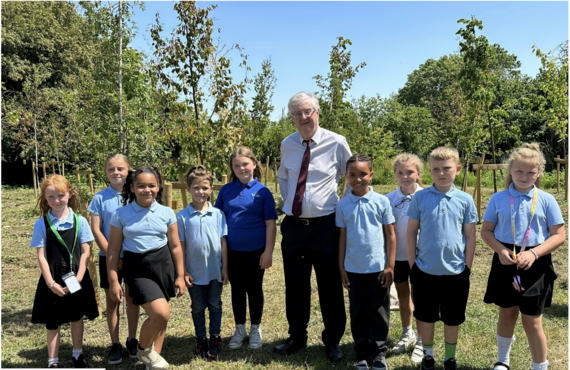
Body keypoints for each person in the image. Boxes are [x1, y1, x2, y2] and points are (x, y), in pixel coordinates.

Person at [275, 91, 352, 362]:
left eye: (308, 111)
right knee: (295, 285)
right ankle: (297, 336)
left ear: (317, 112)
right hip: (294, 226)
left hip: (326, 227)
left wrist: (346, 209)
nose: (303, 117)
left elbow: (352, 176)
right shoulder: (288, 144)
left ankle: (332, 341)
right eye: (297, 113)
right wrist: (289, 202)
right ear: (292, 118)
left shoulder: (336, 142)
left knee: (330, 285)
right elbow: (283, 174)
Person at [481, 143, 565, 370]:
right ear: (510, 170)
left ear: (538, 173)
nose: (524, 176)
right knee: (507, 314)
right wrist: (500, 250)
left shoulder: (546, 200)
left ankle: (540, 366)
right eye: (519, 171)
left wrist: (535, 253)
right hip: (505, 260)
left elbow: (559, 235)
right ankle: (502, 361)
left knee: (532, 320)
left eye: (531, 172)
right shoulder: (498, 199)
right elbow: (486, 231)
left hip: (536, 262)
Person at [406, 147, 478, 370]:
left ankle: (449, 357)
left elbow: (470, 235)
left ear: (456, 169)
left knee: (452, 318)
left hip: (455, 272)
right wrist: (412, 265)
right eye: (436, 169)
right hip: (424, 270)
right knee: (425, 316)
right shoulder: (420, 197)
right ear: (429, 171)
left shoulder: (465, 200)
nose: (441, 173)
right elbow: (410, 232)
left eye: (447, 168)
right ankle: (428, 355)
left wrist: (467, 267)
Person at [107, 166, 186, 370]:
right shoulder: (121, 214)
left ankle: (154, 361)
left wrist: (180, 275)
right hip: (137, 267)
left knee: (162, 317)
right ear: (132, 187)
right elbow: (114, 250)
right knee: (160, 313)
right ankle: (144, 350)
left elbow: (176, 246)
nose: (147, 190)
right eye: (141, 186)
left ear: (158, 187)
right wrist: (114, 280)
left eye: (152, 185)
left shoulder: (167, 212)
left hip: (163, 264)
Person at [30, 175, 99, 368]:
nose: (57, 200)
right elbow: (41, 256)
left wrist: (78, 277)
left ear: (70, 194)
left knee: (77, 316)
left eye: (61, 195)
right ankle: (53, 361)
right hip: (51, 279)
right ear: (45, 198)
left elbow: (85, 252)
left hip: (76, 277)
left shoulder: (81, 221)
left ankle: (77, 354)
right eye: (51, 197)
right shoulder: (41, 224)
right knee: (53, 321)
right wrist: (51, 283)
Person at [337, 154, 396, 370]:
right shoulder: (343, 205)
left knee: (379, 311)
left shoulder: (382, 201)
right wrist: (341, 267)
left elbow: (390, 235)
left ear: (371, 175)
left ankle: (379, 353)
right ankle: (361, 353)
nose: (358, 179)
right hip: (353, 269)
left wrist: (390, 266)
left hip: (377, 268)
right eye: (352, 175)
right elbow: (342, 238)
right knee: (358, 311)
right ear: (346, 177)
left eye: (363, 174)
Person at [215, 147, 277, 350]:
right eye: (237, 165)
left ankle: (255, 329)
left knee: (254, 289)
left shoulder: (263, 192)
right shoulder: (225, 191)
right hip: (232, 252)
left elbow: (270, 223)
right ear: (232, 169)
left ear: (254, 164)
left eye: (245, 164)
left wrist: (268, 252)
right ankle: (239, 329)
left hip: (256, 251)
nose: (241, 168)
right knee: (237, 290)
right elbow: (218, 219)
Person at [88, 154, 141, 364]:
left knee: (131, 299)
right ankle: (115, 343)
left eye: (120, 168)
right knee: (113, 300)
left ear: (129, 170)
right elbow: (96, 229)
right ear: (105, 172)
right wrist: (112, 255)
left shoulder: (136, 195)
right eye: (111, 169)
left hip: (133, 257)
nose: (116, 173)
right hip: (108, 258)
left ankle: (132, 339)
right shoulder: (100, 198)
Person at [177, 165, 229, 360]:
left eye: (205, 188)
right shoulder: (182, 216)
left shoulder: (218, 214)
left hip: (215, 270)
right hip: (193, 272)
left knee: (215, 304)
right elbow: (179, 246)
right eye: (196, 188)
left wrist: (225, 267)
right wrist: (182, 272)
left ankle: (215, 338)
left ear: (211, 189)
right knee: (198, 306)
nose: (201, 192)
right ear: (189, 189)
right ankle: (201, 339)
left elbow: (223, 242)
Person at [385, 153, 424, 363]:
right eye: (400, 172)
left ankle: (421, 338)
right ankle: (407, 332)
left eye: (410, 172)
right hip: (398, 256)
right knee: (402, 296)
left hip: (421, 257)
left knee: (420, 297)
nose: (406, 176)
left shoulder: (427, 196)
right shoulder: (389, 199)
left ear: (418, 173)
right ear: (395, 175)